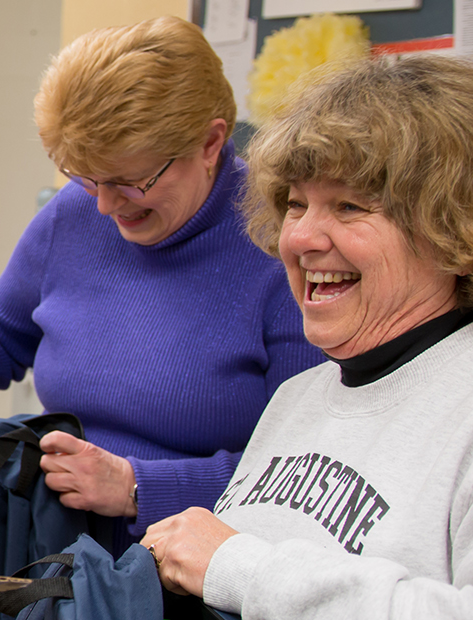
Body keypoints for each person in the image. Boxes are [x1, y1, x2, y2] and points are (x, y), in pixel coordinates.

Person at [0, 16, 324, 546]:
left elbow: (303, 475)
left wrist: (139, 486)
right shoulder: (75, 214)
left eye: (128, 182)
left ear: (210, 143)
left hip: (182, 558)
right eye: (86, 178)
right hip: (56, 537)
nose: (104, 205)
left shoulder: (284, 250)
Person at [142, 54, 473, 618]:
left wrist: (236, 565)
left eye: (349, 206)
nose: (301, 239)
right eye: (296, 204)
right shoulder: (301, 395)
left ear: (451, 227)